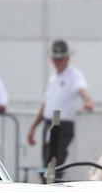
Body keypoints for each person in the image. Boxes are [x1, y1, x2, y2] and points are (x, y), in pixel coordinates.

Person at [27, 39, 93, 169]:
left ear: (68, 59)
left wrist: (88, 102)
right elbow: (47, 103)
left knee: (55, 162)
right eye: (56, 59)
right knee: (47, 161)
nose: (58, 62)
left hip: (62, 125)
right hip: (49, 123)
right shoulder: (53, 77)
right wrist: (34, 126)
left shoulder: (74, 75)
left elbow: (82, 90)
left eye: (61, 59)